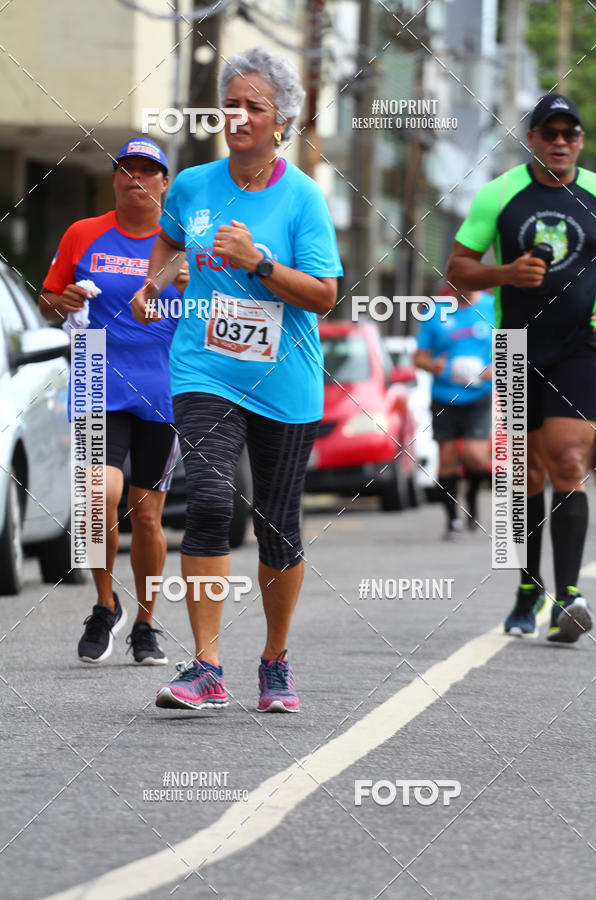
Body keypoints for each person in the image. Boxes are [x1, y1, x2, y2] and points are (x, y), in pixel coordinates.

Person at [131, 46, 343, 713]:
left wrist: (258, 264)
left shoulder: (303, 198)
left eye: (254, 106)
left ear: (280, 120)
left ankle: (275, 659)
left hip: (286, 380)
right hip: (205, 371)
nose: (239, 116)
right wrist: (154, 284)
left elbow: (325, 295)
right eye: (232, 104)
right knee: (213, 502)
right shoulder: (192, 184)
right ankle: (206, 665)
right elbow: (168, 241)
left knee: (278, 526)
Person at [447, 92, 596, 642]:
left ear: (580, 141)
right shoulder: (502, 193)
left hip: (582, 346)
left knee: (569, 458)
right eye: (549, 133)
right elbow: (459, 268)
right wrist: (507, 274)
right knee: (521, 477)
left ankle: (570, 597)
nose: (560, 143)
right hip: (515, 347)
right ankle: (527, 588)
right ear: (531, 138)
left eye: (570, 134)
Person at [40, 137, 188, 665]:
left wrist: (191, 291)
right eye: (127, 169)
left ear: (164, 183)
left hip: (163, 384)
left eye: (149, 171)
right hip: (96, 371)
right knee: (99, 494)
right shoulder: (84, 233)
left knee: (146, 516)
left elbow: (213, 316)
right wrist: (65, 300)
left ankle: (145, 624)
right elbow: (49, 299)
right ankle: (105, 604)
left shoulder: (183, 242)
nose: (136, 178)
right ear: (113, 178)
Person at [414, 288, 494, 539]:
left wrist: (496, 367)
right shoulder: (434, 312)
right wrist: (433, 365)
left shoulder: (493, 307)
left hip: (479, 396)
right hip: (444, 397)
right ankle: (452, 520)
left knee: (475, 456)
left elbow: (512, 346)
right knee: (447, 459)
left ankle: (471, 497)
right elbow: (418, 357)